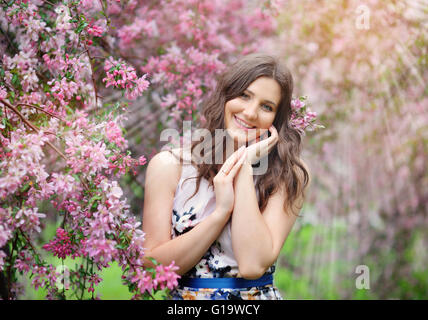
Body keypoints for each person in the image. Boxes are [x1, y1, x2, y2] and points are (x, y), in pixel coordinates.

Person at [142, 53, 311, 300]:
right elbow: (154, 263)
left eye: (267, 106)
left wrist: (244, 167)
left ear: (277, 119)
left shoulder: (287, 175)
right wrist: (221, 212)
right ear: (226, 95)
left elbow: (252, 266)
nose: (251, 113)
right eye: (244, 95)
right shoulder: (171, 166)